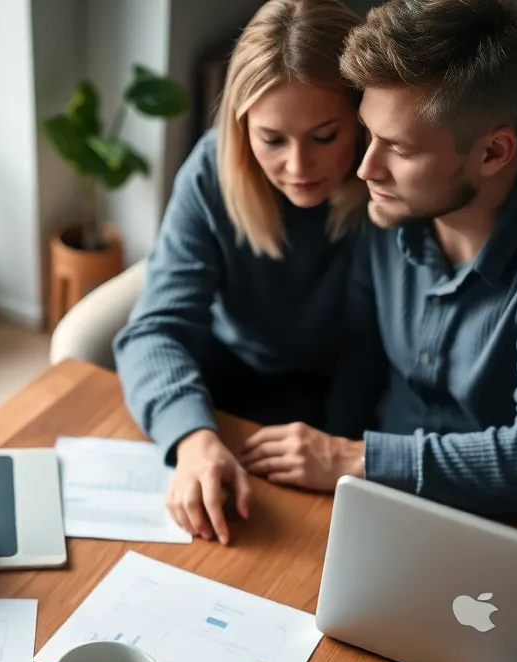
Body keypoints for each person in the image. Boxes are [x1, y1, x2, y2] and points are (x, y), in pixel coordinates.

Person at [240, 0, 517, 521]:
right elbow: (360, 358)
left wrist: (353, 458)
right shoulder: (394, 202)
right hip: (381, 505)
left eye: (397, 148)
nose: (365, 168)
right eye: (367, 133)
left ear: (492, 152)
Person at [113, 0, 375, 545]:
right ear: (241, 127)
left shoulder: (389, 186)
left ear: (361, 117)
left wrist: (344, 449)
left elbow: (376, 353)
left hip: (346, 413)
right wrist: (192, 438)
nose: (298, 169)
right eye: (272, 140)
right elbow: (154, 331)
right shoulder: (212, 173)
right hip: (227, 387)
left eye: (324, 136)